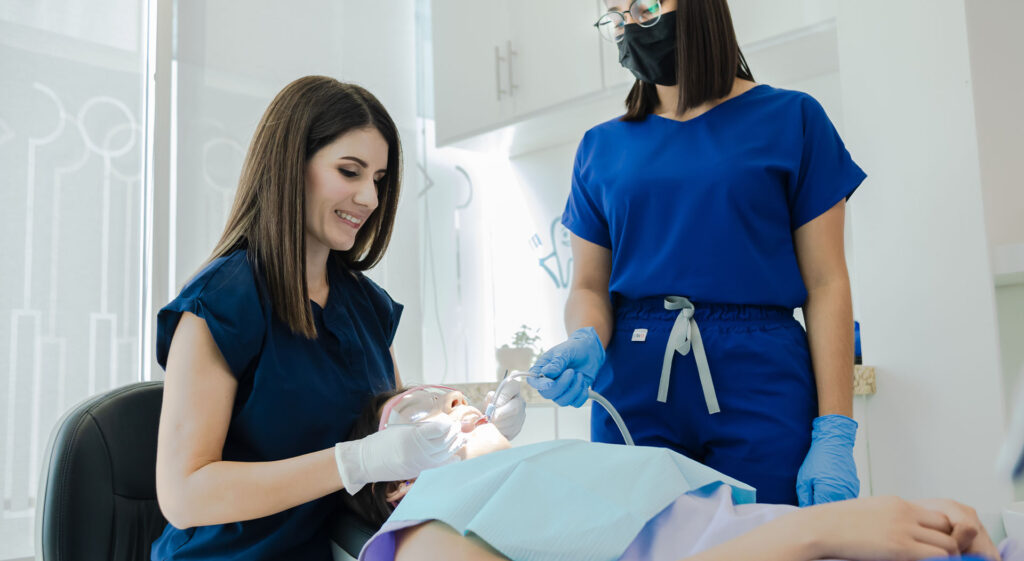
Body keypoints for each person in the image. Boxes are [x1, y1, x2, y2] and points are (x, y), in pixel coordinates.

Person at [150, 76, 528, 560]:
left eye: (379, 180)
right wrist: (353, 461)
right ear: (290, 166)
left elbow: (393, 457)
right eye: (350, 172)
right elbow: (185, 496)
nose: (370, 198)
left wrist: (472, 440)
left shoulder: (366, 307)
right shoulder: (221, 302)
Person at [528, 0, 866, 506]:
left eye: (643, 8)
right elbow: (589, 286)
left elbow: (827, 283)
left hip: (761, 378)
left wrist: (835, 431)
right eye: (616, 18)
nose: (629, 28)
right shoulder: (601, 147)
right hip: (635, 382)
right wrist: (586, 338)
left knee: (769, 543)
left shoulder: (793, 119)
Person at [343, 388, 1005, 561]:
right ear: (393, 479)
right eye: (420, 409)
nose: (455, 401)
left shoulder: (530, 470)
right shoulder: (423, 521)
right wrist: (824, 530)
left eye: (451, 392)